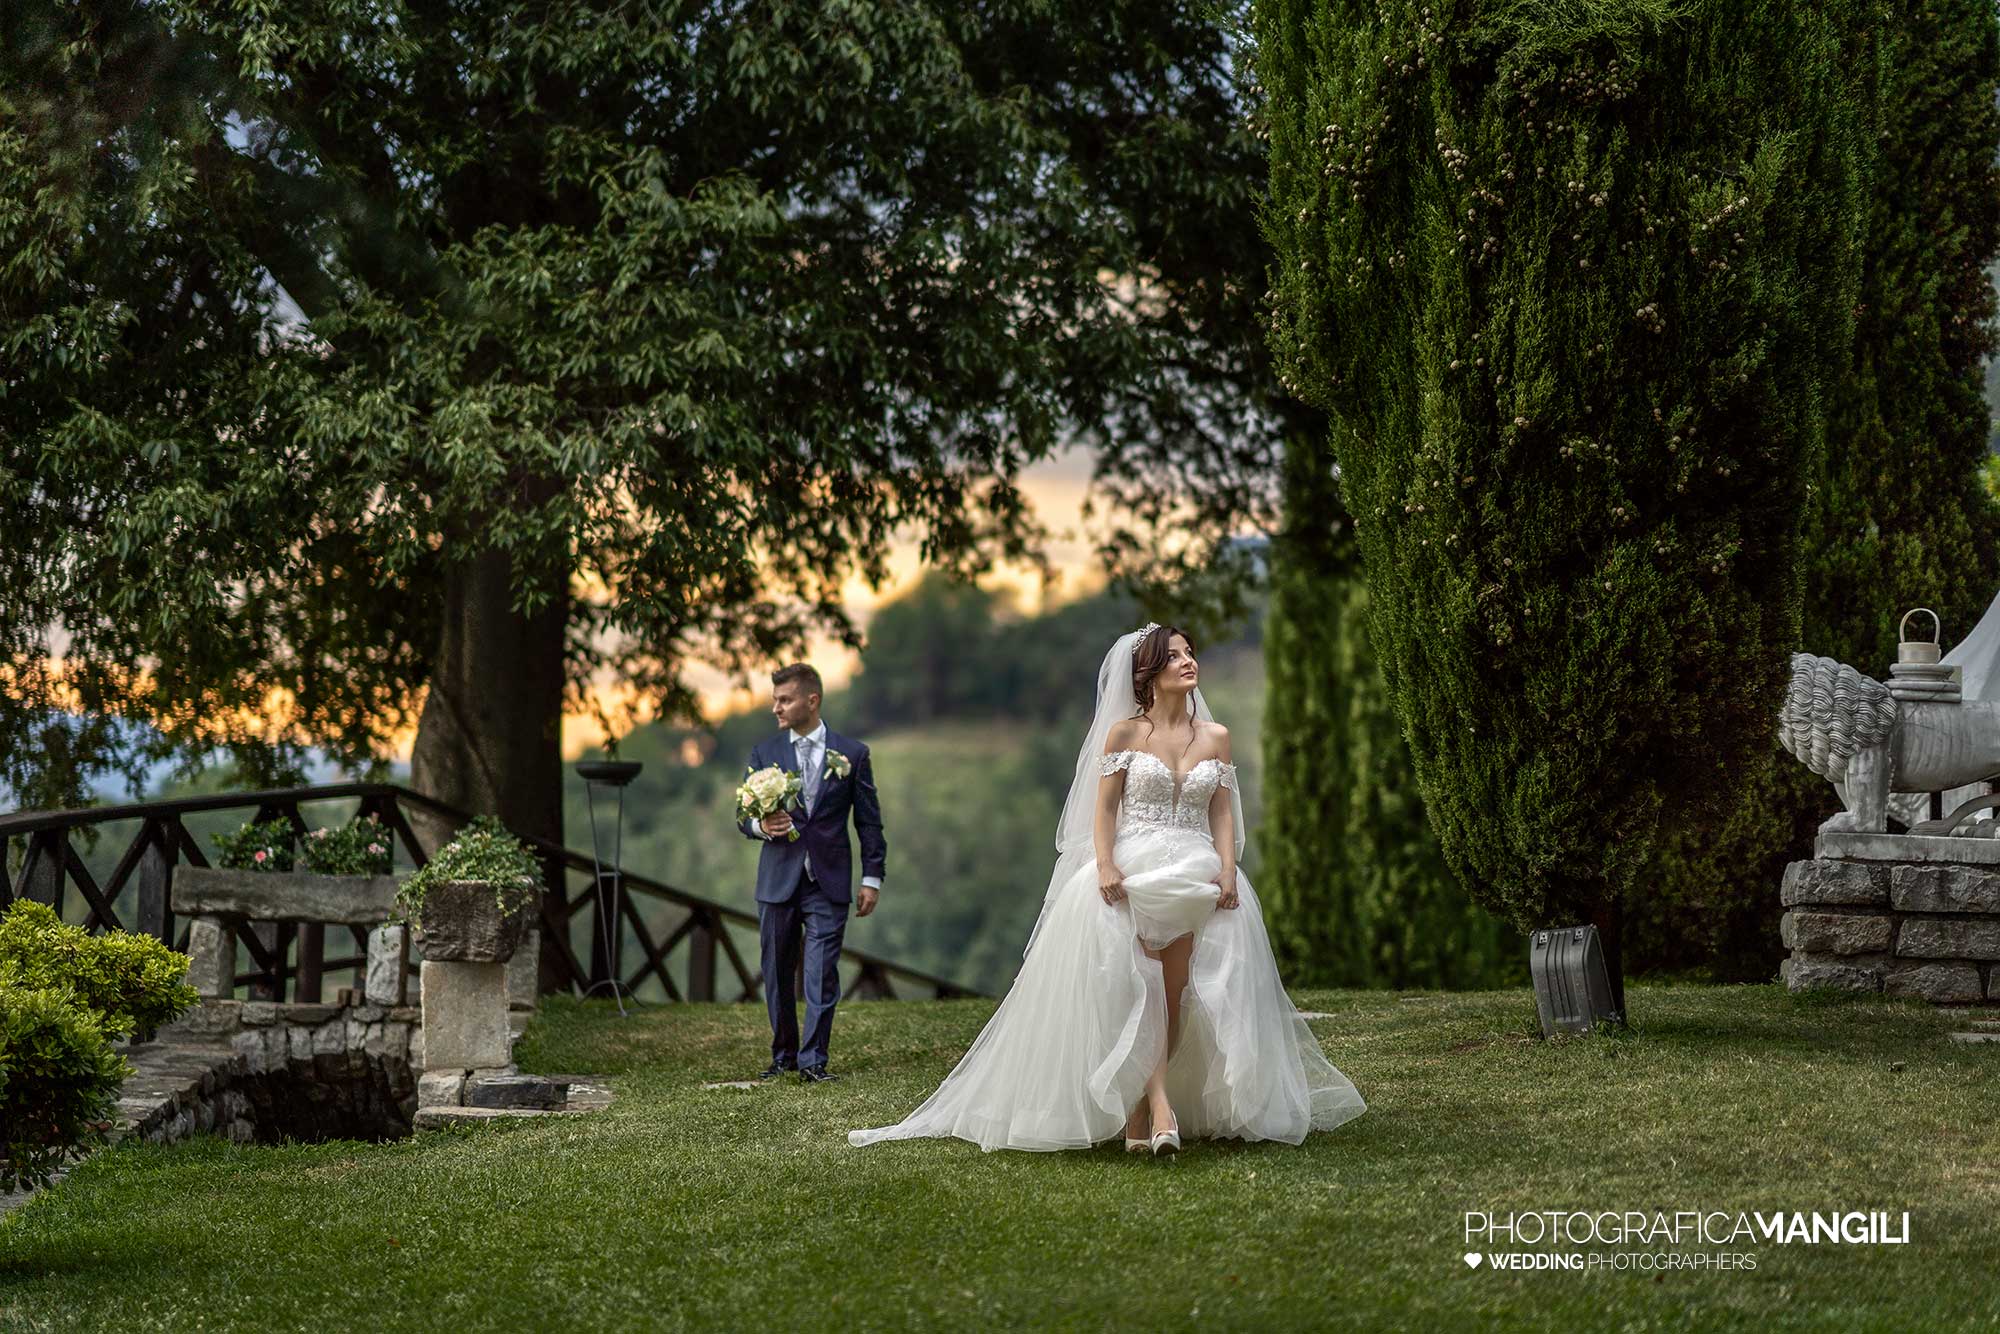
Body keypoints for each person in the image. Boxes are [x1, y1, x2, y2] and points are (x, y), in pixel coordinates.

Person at [848, 622, 1364, 1154]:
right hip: (1133, 870)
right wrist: (1105, 864)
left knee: (1175, 995)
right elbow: (1105, 808)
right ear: (1150, 673)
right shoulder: (1123, 733)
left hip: (1196, 871)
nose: (1189, 662)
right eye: (1175, 656)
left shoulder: (1216, 737)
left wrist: (1228, 869)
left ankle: (1141, 1111)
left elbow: (1222, 811)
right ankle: (1161, 1109)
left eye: (1191, 653)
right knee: (1137, 989)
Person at [739, 663, 887, 1083]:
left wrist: (871, 878)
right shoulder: (764, 753)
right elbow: (741, 816)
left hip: (829, 879)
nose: (776, 708)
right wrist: (759, 826)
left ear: (812, 700)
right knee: (777, 971)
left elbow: (869, 822)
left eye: (784, 700)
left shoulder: (852, 755)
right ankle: (783, 1055)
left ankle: (813, 1062)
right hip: (777, 880)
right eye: (775, 700)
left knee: (822, 972)